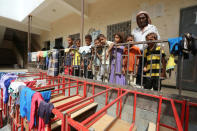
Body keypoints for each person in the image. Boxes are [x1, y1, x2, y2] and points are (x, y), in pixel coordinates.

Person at [132, 11, 160, 85]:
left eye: (143, 18)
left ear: (147, 18)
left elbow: (158, 39)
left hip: (150, 52)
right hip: (138, 53)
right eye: (139, 19)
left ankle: (150, 87)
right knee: (139, 72)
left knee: (149, 71)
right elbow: (132, 41)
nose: (141, 20)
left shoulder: (152, 28)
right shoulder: (135, 30)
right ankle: (139, 86)